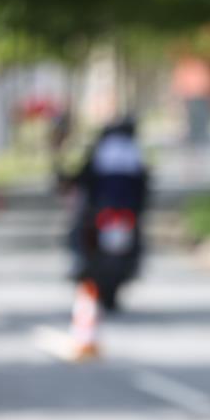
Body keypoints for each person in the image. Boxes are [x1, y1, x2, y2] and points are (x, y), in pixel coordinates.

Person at [64, 117, 148, 360]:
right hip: (122, 215)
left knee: (77, 232)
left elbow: (83, 180)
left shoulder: (100, 152)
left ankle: (78, 261)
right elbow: (144, 187)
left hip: (103, 213)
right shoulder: (135, 154)